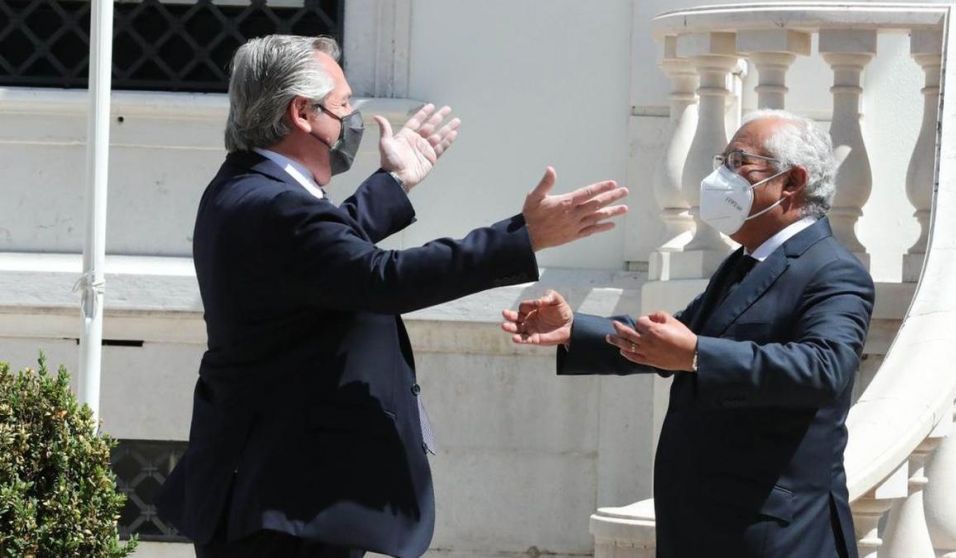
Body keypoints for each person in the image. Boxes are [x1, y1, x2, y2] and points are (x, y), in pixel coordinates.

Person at [157, 34, 629, 558]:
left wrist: (394, 182)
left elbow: (325, 259)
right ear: (301, 113)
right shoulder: (277, 206)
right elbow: (380, 278)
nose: (351, 119)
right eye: (342, 105)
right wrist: (524, 237)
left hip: (277, 492)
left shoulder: (247, 187)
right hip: (284, 504)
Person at [501, 110, 874, 558]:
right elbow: (670, 337)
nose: (721, 177)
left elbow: (825, 368)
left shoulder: (832, 270)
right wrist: (573, 330)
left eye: (739, 162)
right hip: (704, 525)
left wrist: (697, 355)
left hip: (774, 536)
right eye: (723, 161)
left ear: (791, 182)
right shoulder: (744, 262)